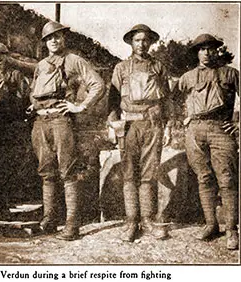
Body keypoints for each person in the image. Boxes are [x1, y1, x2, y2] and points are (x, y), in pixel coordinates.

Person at [30, 21, 105, 240]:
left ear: (64, 39)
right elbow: (33, 92)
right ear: (45, 42)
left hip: (62, 121)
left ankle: (72, 225)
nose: (54, 41)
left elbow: (97, 84)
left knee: (68, 171)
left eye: (58, 36)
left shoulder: (74, 60)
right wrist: (33, 106)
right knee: (46, 171)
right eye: (49, 38)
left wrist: (80, 106)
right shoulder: (41, 65)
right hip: (41, 122)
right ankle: (49, 220)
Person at [108, 24, 172, 242]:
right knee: (128, 172)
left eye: (145, 40)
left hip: (153, 125)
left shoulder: (158, 67)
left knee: (149, 172)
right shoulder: (121, 68)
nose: (141, 44)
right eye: (137, 40)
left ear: (150, 42)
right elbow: (112, 100)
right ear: (131, 43)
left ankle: (147, 219)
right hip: (128, 126)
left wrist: (169, 126)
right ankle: (131, 221)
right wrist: (112, 125)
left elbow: (167, 99)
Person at [176, 34, 239, 250]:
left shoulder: (230, 73)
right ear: (196, 52)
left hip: (221, 129)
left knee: (227, 178)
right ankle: (211, 224)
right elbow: (173, 101)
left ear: (217, 50)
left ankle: (231, 229)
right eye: (202, 49)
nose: (206, 52)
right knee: (203, 178)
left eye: (211, 48)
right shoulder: (187, 77)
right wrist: (182, 121)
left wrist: (239, 124)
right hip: (194, 130)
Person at [0, 42, 29, 218]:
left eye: (1, 55)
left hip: (7, 123)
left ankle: (3, 205)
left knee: (5, 164)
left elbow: (23, 97)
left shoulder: (15, 74)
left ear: (6, 57)